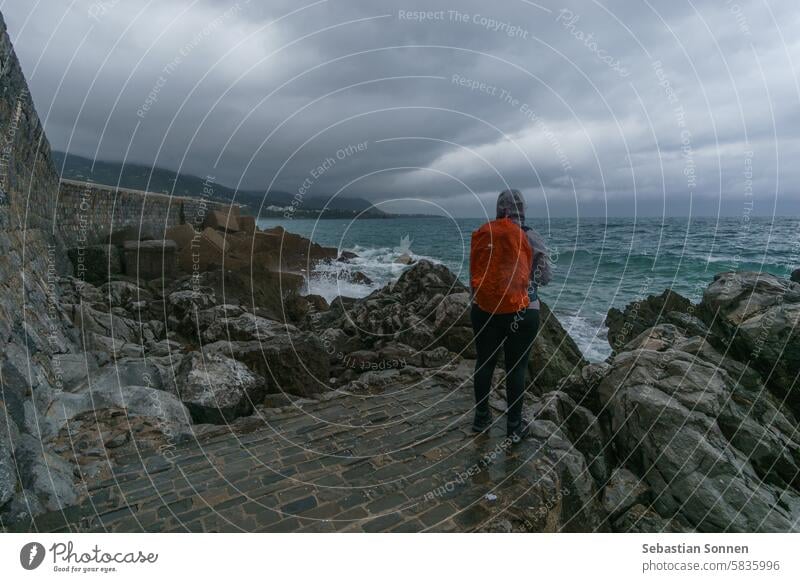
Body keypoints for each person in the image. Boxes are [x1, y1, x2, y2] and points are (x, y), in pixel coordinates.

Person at [470, 189, 552, 442]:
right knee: (516, 368)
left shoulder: (485, 233)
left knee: (484, 363)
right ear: (522, 209)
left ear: (497, 208)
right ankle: (514, 428)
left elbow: (474, 275)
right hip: (523, 311)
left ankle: (481, 419)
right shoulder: (530, 236)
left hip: (485, 310)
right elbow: (546, 277)